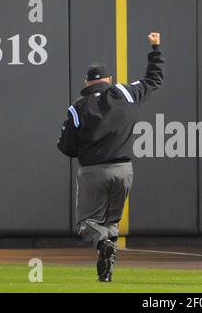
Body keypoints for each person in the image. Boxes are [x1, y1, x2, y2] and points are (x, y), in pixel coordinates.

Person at [57, 32, 164, 281]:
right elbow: (154, 79)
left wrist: (83, 150)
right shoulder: (124, 94)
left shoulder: (78, 107)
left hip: (93, 170)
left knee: (87, 224)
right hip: (124, 170)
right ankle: (106, 272)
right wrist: (155, 48)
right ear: (109, 79)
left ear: (86, 82)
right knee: (111, 222)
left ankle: (103, 244)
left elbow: (66, 146)